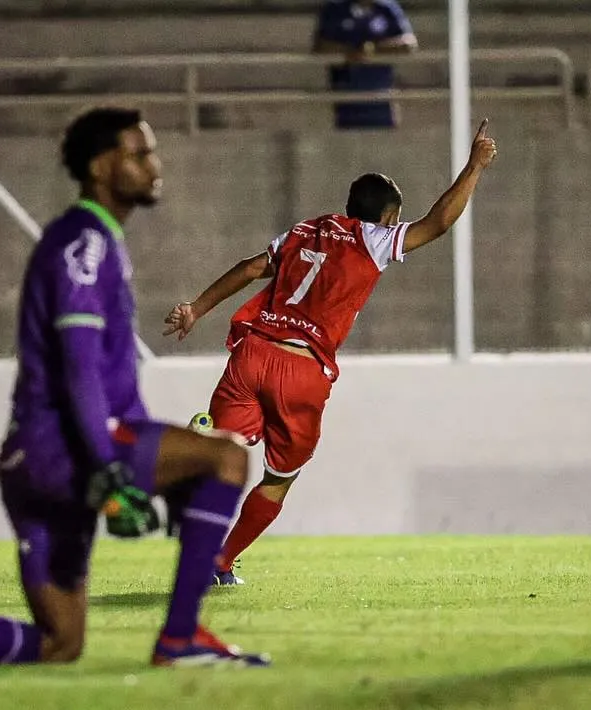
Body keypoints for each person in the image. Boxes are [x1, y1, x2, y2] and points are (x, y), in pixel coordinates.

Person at [0, 108, 270, 669]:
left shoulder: (95, 241)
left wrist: (158, 466)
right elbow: (79, 367)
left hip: (29, 463)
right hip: (64, 449)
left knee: (61, 644)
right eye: (139, 153)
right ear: (102, 167)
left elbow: (110, 380)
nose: (155, 164)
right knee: (228, 457)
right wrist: (109, 467)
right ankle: (179, 639)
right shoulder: (85, 244)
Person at [164, 120, 498, 585]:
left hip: (252, 354)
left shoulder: (305, 231)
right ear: (386, 218)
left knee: (228, 454)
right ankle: (220, 563)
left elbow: (251, 268)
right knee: (279, 478)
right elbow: (438, 223)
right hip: (301, 370)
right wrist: (474, 166)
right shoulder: (374, 239)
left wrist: (196, 307)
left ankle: (204, 444)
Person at [313, 0, 418, 129]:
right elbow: (321, 47)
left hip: (381, 96)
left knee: (383, 144)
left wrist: (372, 49)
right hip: (346, 98)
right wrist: (350, 52)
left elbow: (409, 44)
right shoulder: (335, 8)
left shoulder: (387, 8)